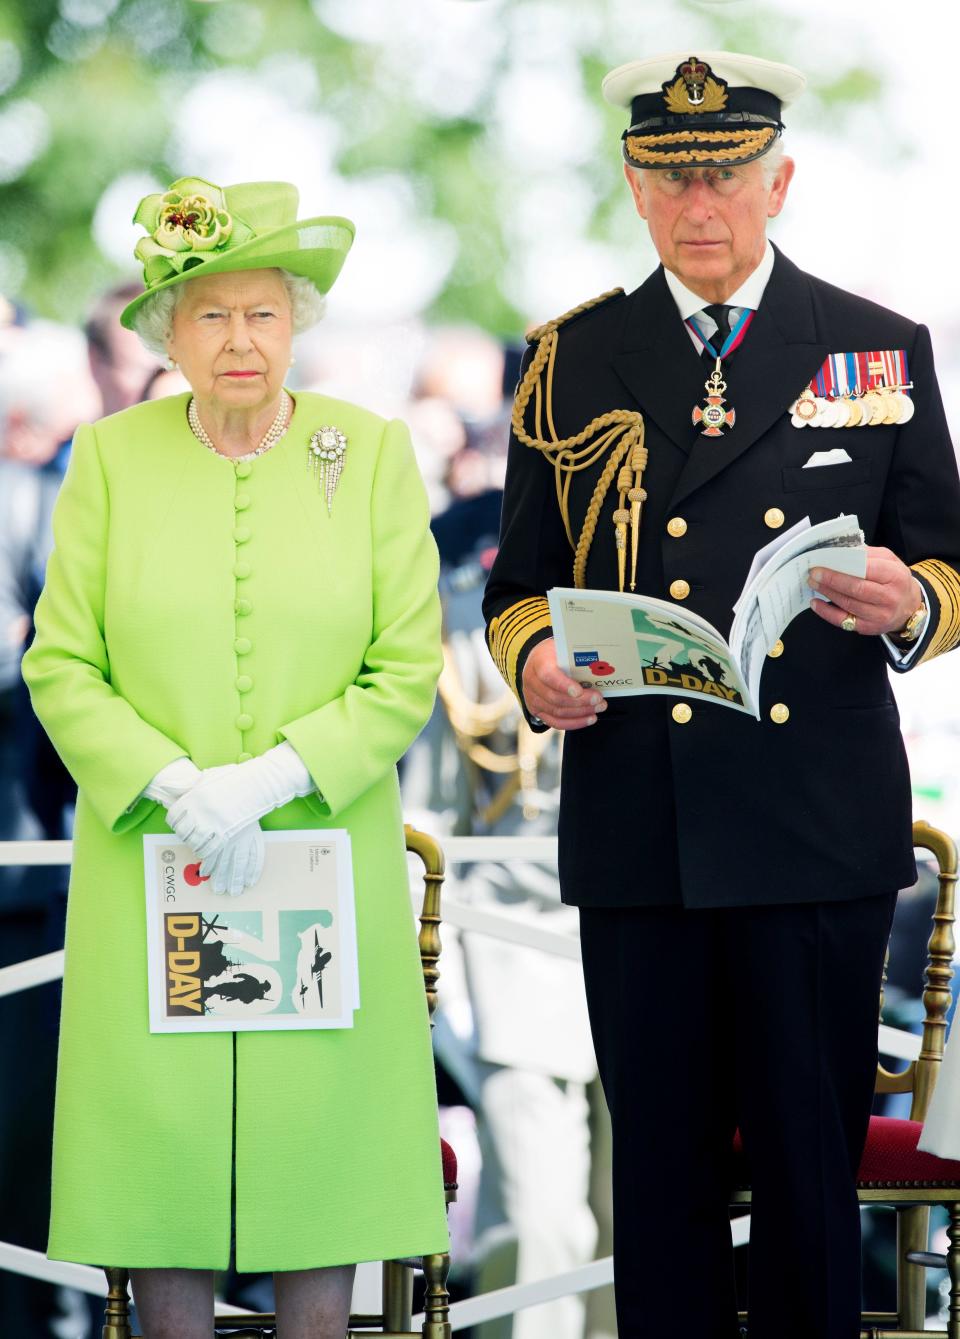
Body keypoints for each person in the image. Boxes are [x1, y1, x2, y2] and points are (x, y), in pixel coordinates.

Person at [483, 50, 960, 1339]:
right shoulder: (568, 360)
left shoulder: (877, 345)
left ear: (781, 180)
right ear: (635, 186)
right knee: (663, 1181)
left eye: (731, 173)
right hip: (644, 828)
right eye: (676, 175)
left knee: (812, 1179)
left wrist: (911, 601)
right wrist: (531, 662)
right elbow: (517, 584)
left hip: (812, 829)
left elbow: (953, 562)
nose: (705, 202)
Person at [22, 176, 449, 1339]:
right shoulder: (108, 459)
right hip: (158, 853)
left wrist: (273, 778)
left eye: (262, 313)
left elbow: (406, 663)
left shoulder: (364, 452)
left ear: (296, 322)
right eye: (210, 316)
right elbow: (61, 662)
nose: (240, 339)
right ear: (169, 332)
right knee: (159, 1154)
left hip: (321, 843)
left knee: (321, 1146)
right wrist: (172, 783)